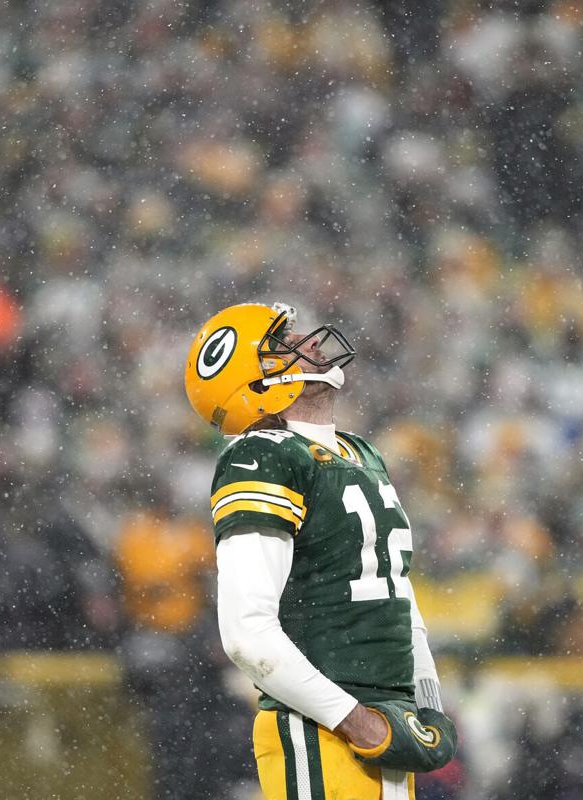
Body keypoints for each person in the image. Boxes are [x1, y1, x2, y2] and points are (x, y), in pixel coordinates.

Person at [184, 302, 457, 799]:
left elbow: (399, 594)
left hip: (386, 726)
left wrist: (426, 705)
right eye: (283, 345)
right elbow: (246, 632)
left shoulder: (361, 452)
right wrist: (357, 723)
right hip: (321, 728)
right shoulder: (262, 455)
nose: (310, 343)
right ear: (253, 381)